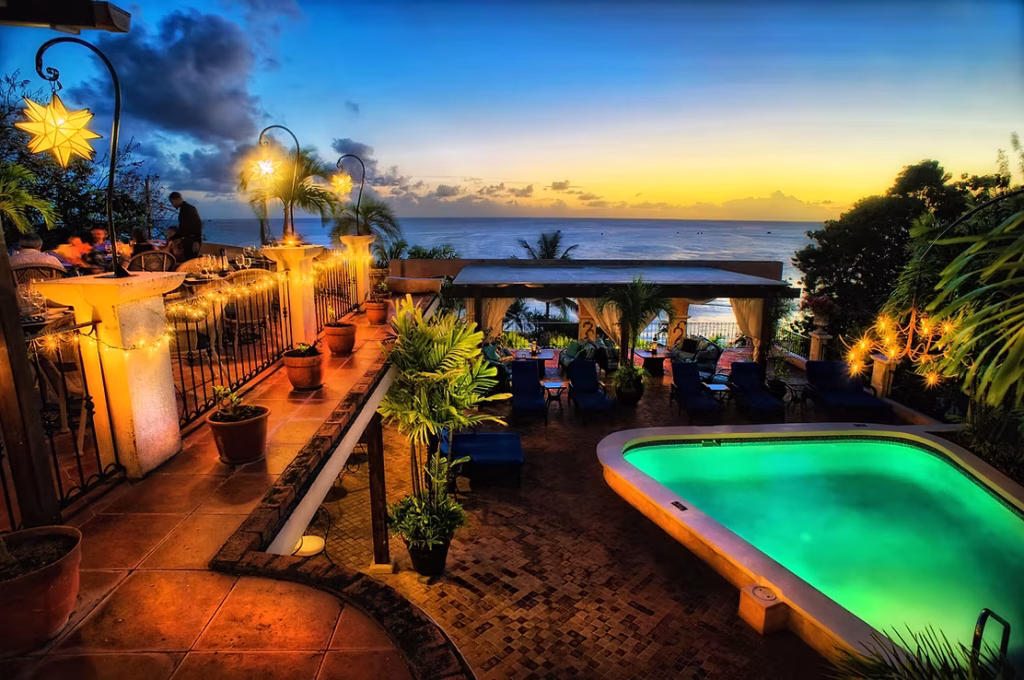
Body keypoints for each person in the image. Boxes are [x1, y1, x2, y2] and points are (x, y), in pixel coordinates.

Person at [167, 192, 202, 261]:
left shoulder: (186, 209)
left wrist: (195, 241)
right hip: (191, 240)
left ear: (178, 199)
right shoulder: (186, 208)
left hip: (191, 241)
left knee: (190, 261)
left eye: (172, 202)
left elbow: (186, 227)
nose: (172, 205)